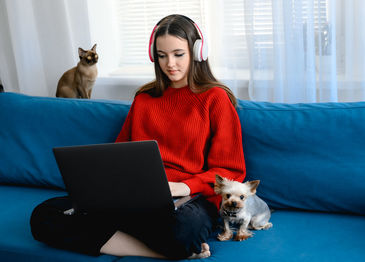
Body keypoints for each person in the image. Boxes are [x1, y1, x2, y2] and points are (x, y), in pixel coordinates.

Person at [30, 14, 246, 259]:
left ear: (197, 52)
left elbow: (230, 171)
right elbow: (118, 156)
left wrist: (182, 186)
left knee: (184, 230)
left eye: (178, 54)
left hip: (189, 199)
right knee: (44, 215)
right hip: (137, 197)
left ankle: (167, 242)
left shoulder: (215, 98)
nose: (170, 64)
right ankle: (163, 252)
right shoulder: (144, 99)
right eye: (162, 55)